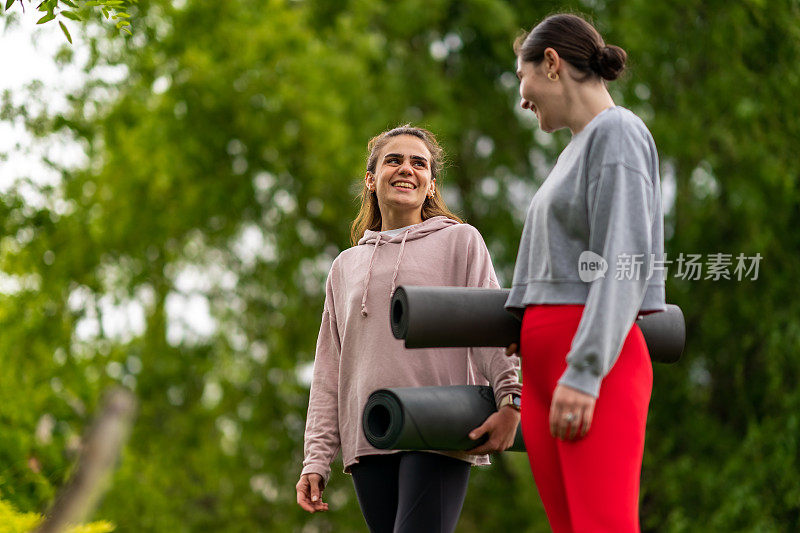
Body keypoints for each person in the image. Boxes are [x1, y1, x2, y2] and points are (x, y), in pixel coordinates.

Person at [296, 125, 522, 533]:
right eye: (393, 160)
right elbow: (329, 369)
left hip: (439, 427)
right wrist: (316, 458)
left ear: (431, 184)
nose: (406, 169)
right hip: (372, 434)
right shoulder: (345, 266)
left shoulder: (460, 241)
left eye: (419, 163)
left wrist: (511, 399)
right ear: (371, 179)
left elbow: (490, 326)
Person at [504, 13, 667, 533]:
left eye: (521, 78)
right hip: (547, 366)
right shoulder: (574, 150)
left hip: (591, 362)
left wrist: (585, 368)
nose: (522, 97)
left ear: (550, 63)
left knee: (603, 525)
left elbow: (625, 260)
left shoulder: (618, 132)